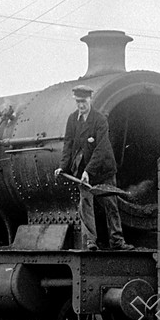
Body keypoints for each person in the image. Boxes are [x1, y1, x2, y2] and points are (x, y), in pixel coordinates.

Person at [54, 85, 133, 251]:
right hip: (83, 170)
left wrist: (88, 171)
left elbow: (102, 148)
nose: (81, 105)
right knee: (86, 205)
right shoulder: (72, 119)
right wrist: (62, 167)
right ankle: (90, 242)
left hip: (103, 170)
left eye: (83, 102)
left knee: (111, 206)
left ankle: (117, 241)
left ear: (90, 100)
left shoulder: (100, 119)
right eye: (78, 102)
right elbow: (68, 144)